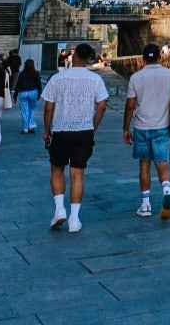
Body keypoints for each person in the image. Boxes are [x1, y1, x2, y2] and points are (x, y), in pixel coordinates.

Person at [41, 43, 109, 233]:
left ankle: (59, 209)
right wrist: (93, 127)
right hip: (84, 131)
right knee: (77, 173)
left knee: (57, 169)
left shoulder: (57, 78)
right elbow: (102, 106)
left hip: (61, 131)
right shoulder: (95, 79)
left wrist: (47, 130)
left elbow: (48, 107)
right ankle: (74, 219)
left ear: (74, 55)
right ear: (89, 58)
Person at [122, 43, 170, 220]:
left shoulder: (136, 77)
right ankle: (166, 191)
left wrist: (125, 128)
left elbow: (130, 105)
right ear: (160, 57)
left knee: (144, 164)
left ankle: (145, 204)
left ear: (142, 59)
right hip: (162, 126)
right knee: (162, 162)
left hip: (141, 126)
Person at [14, 59, 42, 134]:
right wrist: (39, 94)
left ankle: (25, 128)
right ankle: (31, 126)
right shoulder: (36, 73)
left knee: (24, 111)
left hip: (23, 93)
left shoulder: (22, 74)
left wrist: (15, 95)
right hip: (33, 92)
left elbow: (18, 85)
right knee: (32, 109)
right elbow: (39, 84)